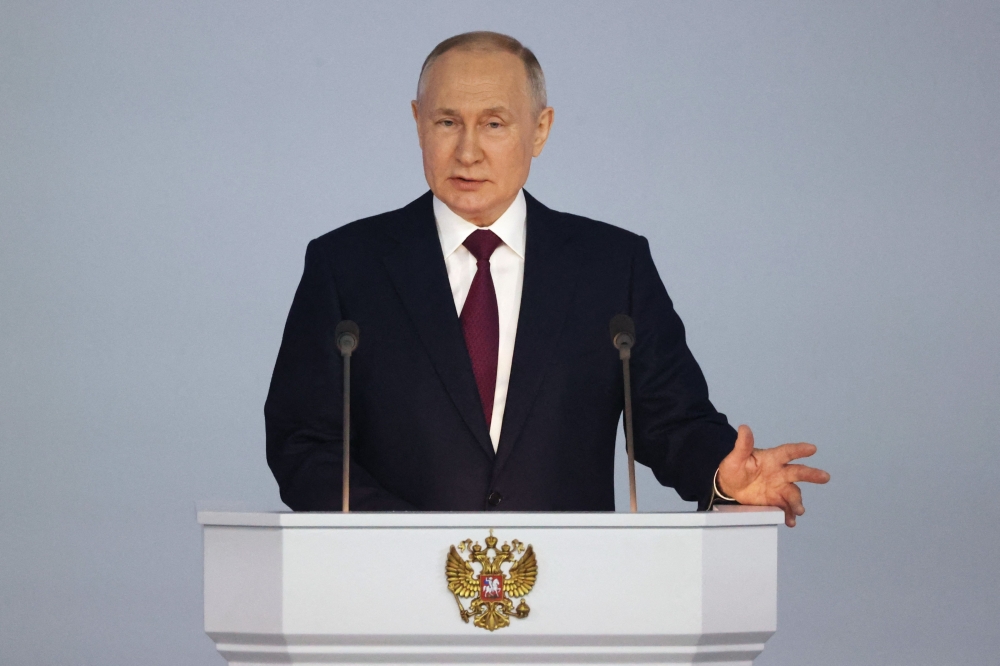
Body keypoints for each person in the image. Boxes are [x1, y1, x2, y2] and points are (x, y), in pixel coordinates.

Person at [264, 31, 829, 526]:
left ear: (540, 130)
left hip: (570, 592)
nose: (468, 151)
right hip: (393, 590)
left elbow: (671, 419)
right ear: (417, 123)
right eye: (446, 122)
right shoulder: (347, 265)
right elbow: (302, 443)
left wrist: (722, 475)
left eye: (493, 123)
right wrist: (410, 539)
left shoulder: (612, 265)